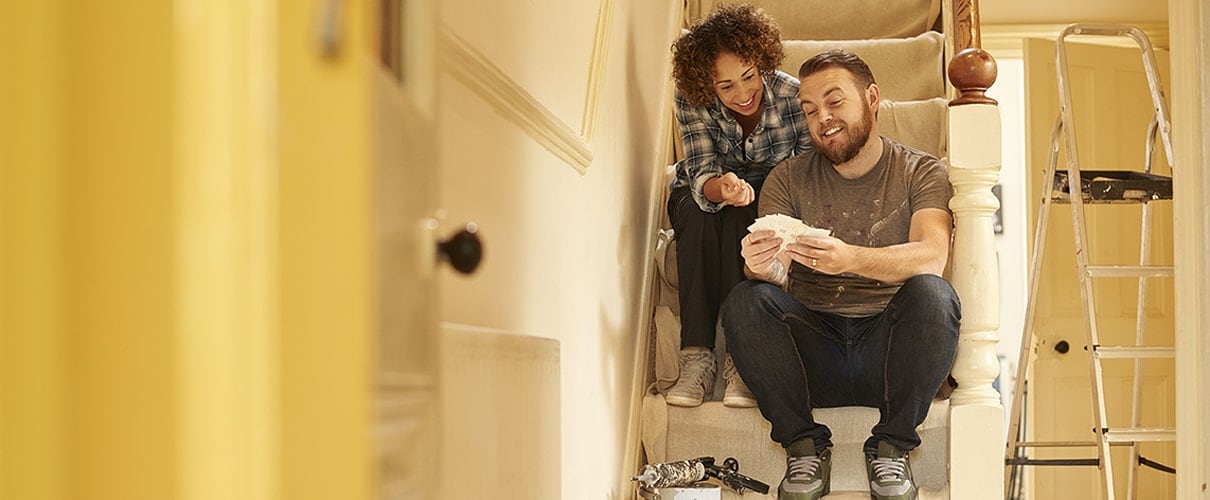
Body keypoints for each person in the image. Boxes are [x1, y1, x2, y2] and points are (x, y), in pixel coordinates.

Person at [721, 49, 960, 500]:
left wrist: (849, 258)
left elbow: (932, 255)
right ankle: (804, 445)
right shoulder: (786, 179)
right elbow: (776, 276)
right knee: (746, 299)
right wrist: (760, 264)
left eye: (835, 103)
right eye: (809, 111)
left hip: (891, 354)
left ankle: (892, 446)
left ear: (871, 98)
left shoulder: (921, 170)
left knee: (934, 294)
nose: (822, 119)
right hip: (814, 354)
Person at [665, 4, 813, 409]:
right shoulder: (689, 99)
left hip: (770, 195)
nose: (743, 93)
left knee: (749, 221)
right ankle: (696, 357)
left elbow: (801, 175)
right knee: (697, 214)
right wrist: (722, 188)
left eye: (748, 77)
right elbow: (699, 173)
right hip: (707, 190)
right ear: (706, 85)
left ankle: (741, 360)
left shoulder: (793, 96)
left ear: (762, 61)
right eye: (726, 86)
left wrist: (755, 198)